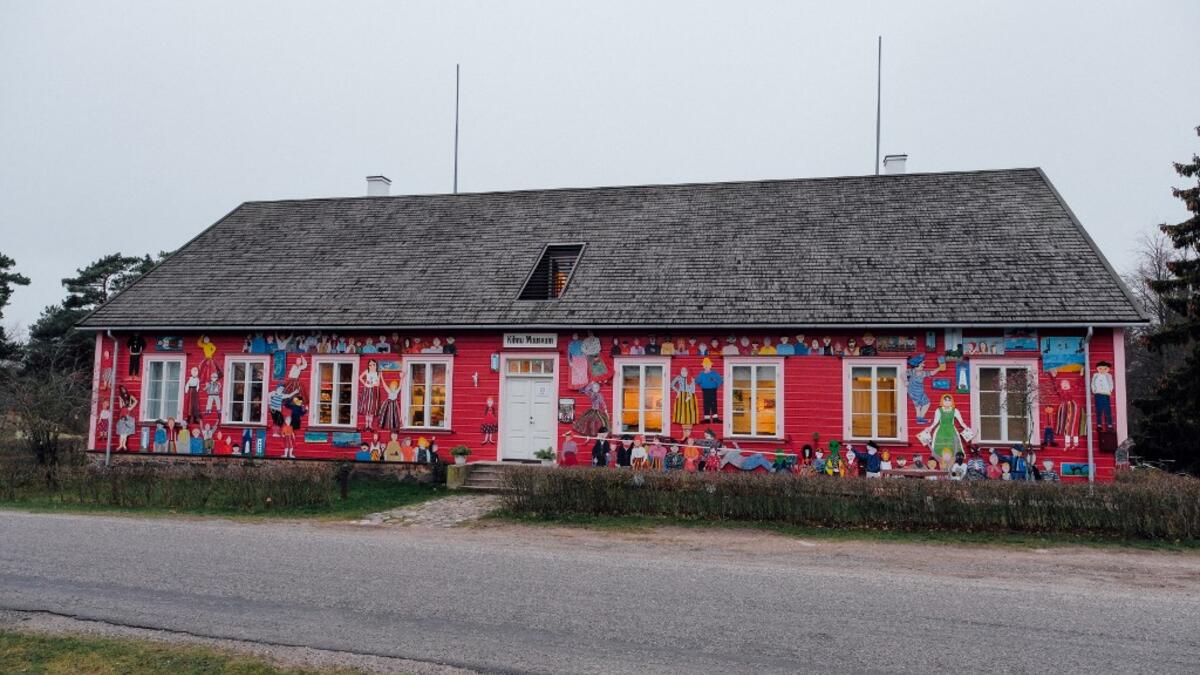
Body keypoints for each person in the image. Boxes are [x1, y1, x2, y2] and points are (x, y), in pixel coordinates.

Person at [695, 358, 724, 423]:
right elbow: (697, 381)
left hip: (713, 390)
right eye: (705, 365)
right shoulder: (701, 374)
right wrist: (700, 384)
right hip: (705, 390)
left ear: (710, 366)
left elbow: (720, 381)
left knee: (713, 403)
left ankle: (715, 418)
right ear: (703, 366)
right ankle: (707, 419)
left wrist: (715, 381)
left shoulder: (714, 373)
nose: (707, 366)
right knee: (706, 404)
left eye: (708, 365)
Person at [1092, 361, 1115, 431]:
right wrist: (1094, 390)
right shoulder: (1095, 375)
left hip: (1105, 394)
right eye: (1100, 368)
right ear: (1098, 369)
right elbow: (1093, 383)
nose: (1102, 370)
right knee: (1099, 410)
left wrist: (1110, 390)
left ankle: (1109, 425)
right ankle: (1099, 425)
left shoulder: (1108, 376)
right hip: (1098, 394)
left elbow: (1111, 383)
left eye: (1104, 369)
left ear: (1107, 369)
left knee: (1107, 410)